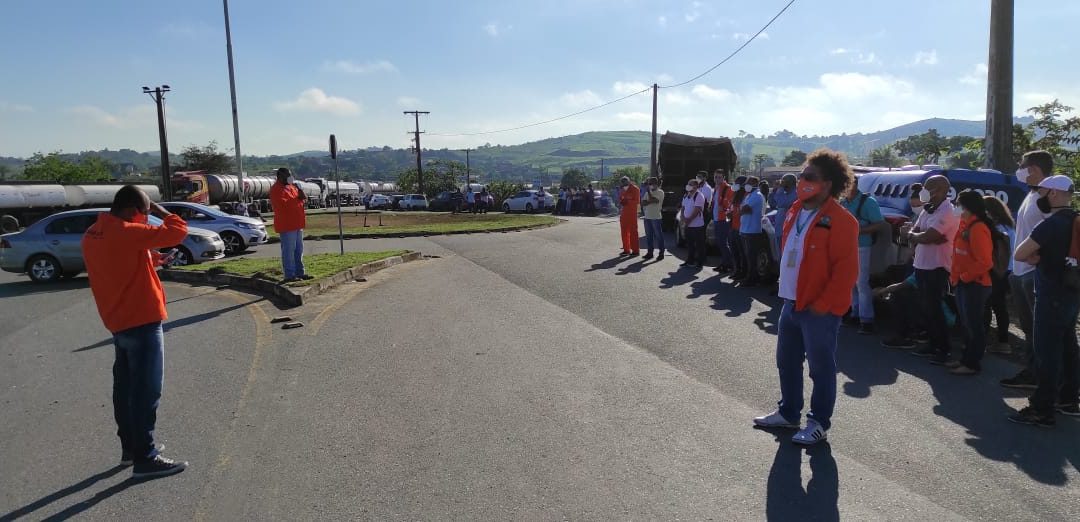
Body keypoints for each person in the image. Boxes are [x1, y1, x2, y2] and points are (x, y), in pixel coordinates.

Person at [81, 185, 190, 479]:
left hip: (118, 320)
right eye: (144, 213)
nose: (146, 219)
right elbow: (178, 231)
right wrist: (160, 210)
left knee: (125, 389)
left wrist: (152, 259)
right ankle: (146, 456)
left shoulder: (94, 233)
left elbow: (118, 261)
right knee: (146, 391)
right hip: (142, 320)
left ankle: (130, 448)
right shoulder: (127, 231)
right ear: (132, 210)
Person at [753, 149, 859, 445]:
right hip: (791, 302)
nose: (802, 181)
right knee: (786, 362)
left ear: (828, 183)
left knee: (820, 367)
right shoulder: (796, 211)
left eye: (809, 177)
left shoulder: (842, 221)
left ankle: (819, 422)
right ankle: (788, 413)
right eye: (802, 175)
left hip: (819, 310)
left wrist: (823, 306)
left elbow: (845, 273)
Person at [1009, 175, 1080, 426]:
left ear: (1052, 193)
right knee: (1069, 347)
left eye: (1041, 193)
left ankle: (1042, 408)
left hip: (1050, 294)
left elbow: (1020, 253)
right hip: (1073, 293)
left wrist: (1035, 258)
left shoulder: (1050, 225)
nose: (1039, 197)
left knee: (1046, 352)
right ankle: (1069, 399)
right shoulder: (1076, 220)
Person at [1001, 151, 1054, 389]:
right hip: (1019, 271)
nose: (1019, 170)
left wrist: (1038, 260)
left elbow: (1055, 234)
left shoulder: (1048, 196)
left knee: (1042, 330)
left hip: (1034, 273)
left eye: (1022, 166)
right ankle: (1032, 373)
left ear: (1033, 169)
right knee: (1029, 328)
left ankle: (1048, 380)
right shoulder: (1030, 195)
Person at [904, 175, 960, 365]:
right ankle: (932, 343)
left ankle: (943, 349)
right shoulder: (928, 210)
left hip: (937, 266)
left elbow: (927, 236)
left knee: (935, 308)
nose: (924, 191)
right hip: (921, 264)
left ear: (941, 190)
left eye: (929, 187)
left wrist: (914, 236)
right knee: (927, 308)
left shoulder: (948, 212)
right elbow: (918, 230)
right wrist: (918, 235)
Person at [947, 191, 995, 375]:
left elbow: (985, 261)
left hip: (975, 284)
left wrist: (965, 277)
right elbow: (958, 254)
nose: (956, 207)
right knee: (966, 325)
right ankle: (965, 359)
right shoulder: (964, 224)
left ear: (967, 207)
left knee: (974, 326)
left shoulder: (978, 228)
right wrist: (956, 277)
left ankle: (972, 363)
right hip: (963, 282)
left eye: (958, 204)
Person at [841, 178, 887, 334]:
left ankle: (867, 320)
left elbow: (879, 224)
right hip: (846, 247)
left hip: (862, 247)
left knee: (861, 283)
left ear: (855, 184)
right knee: (849, 283)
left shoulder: (868, 202)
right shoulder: (843, 202)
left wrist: (858, 231)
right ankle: (855, 313)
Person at [877, 274, 958, 350]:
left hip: (946, 317)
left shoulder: (925, 270)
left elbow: (901, 285)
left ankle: (905, 336)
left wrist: (881, 291)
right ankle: (921, 332)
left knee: (899, 294)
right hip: (949, 315)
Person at [983, 195, 1015, 353]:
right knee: (999, 306)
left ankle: (995, 341)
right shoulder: (1009, 226)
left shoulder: (998, 229)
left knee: (988, 305)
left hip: (998, 271)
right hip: (1008, 271)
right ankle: (1003, 342)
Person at [270, 167, 311, 282]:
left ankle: (300, 273)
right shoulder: (276, 189)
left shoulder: (292, 187)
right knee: (289, 251)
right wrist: (298, 199)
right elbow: (283, 205)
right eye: (288, 175)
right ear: (280, 176)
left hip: (297, 224)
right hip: (287, 225)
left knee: (299, 250)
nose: (290, 177)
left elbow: (302, 200)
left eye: (290, 175)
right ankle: (289, 275)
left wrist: (301, 194)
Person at [737, 176, 766, 287]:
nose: (746, 185)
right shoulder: (749, 195)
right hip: (745, 229)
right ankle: (749, 277)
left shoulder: (757, 196)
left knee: (752, 256)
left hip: (752, 231)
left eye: (748, 183)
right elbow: (743, 209)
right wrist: (743, 209)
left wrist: (743, 209)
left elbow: (744, 209)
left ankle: (752, 278)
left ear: (754, 183)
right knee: (747, 255)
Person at [712, 169, 736, 273]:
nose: (717, 179)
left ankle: (729, 264)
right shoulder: (716, 188)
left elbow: (731, 204)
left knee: (723, 242)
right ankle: (724, 263)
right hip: (717, 218)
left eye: (719, 177)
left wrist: (725, 209)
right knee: (720, 242)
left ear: (724, 178)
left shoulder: (728, 188)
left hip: (723, 219)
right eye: (716, 177)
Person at [680, 178, 707, 268]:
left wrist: (688, 220)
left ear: (696, 186)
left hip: (697, 225)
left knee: (699, 245)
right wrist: (683, 218)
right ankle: (690, 260)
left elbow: (697, 210)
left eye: (691, 184)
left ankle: (700, 262)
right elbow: (683, 208)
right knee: (690, 244)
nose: (688, 186)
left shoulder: (699, 196)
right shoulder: (686, 195)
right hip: (688, 225)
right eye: (688, 184)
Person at [770, 174, 798, 255]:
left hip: (788, 232)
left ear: (790, 182)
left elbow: (782, 203)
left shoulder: (795, 194)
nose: (781, 183)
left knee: (785, 256)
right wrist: (775, 189)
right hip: (780, 230)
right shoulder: (783, 193)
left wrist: (780, 189)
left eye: (783, 181)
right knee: (779, 255)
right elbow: (772, 202)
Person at [729, 176, 749, 280]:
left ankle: (743, 272)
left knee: (742, 252)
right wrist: (730, 213)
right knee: (734, 251)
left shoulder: (746, 196)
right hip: (733, 227)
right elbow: (732, 209)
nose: (734, 185)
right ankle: (737, 270)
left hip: (741, 228)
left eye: (736, 183)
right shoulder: (735, 195)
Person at [641, 177, 665, 260]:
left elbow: (654, 200)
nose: (649, 185)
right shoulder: (648, 193)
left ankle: (661, 253)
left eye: (651, 184)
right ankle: (650, 253)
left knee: (658, 236)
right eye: (649, 184)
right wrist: (649, 201)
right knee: (649, 236)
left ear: (656, 184)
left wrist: (649, 194)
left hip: (656, 217)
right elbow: (643, 203)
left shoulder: (660, 192)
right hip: (647, 217)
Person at [618, 176, 641, 256]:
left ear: (629, 181)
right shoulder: (622, 190)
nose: (624, 183)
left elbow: (637, 201)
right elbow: (620, 199)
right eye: (623, 182)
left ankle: (635, 251)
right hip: (624, 214)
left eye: (625, 181)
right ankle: (626, 249)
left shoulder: (635, 189)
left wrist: (627, 201)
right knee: (624, 232)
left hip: (632, 214)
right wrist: (621, 201)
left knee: (633, 232)